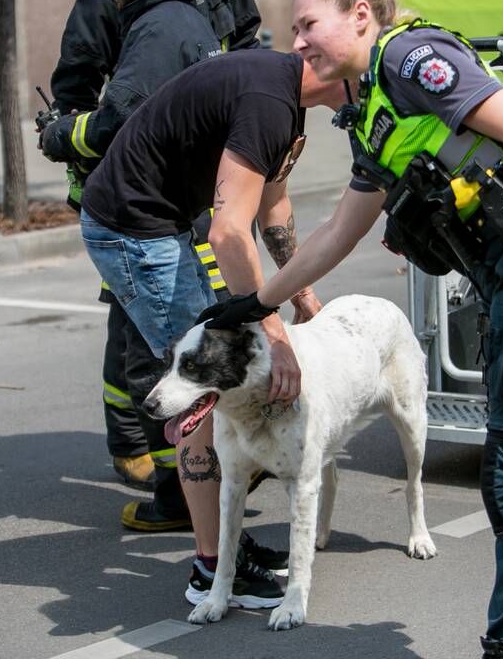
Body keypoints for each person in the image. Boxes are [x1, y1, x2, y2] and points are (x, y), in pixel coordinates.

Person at [199, 0, 503, 659]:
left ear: (360, 15)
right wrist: (251, 303)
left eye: (307, 24)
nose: (296, 43)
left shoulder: (412, 59)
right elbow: (332, 236)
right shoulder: (372, 113)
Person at [78, 48, 341, 608]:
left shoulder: (285, 103)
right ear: (338, 68)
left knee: (215, 376)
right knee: (202, 384)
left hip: (156, 224)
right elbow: (227, 234)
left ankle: (223, 545)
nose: (370, 102)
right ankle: (212, 567)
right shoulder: (269, 99)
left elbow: (273, 207)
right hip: (133, 229)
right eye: (369, 84)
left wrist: (305, 296)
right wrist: (275, 334)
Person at [43, 0, 263, 532]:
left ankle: (189, 492)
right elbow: (81, 77)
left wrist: (64, 137)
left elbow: (242, 44)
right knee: (153, 327)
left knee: (174, 340)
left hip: (170, 195)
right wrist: (72, 139)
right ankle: (151, 458)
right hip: (154, 194)